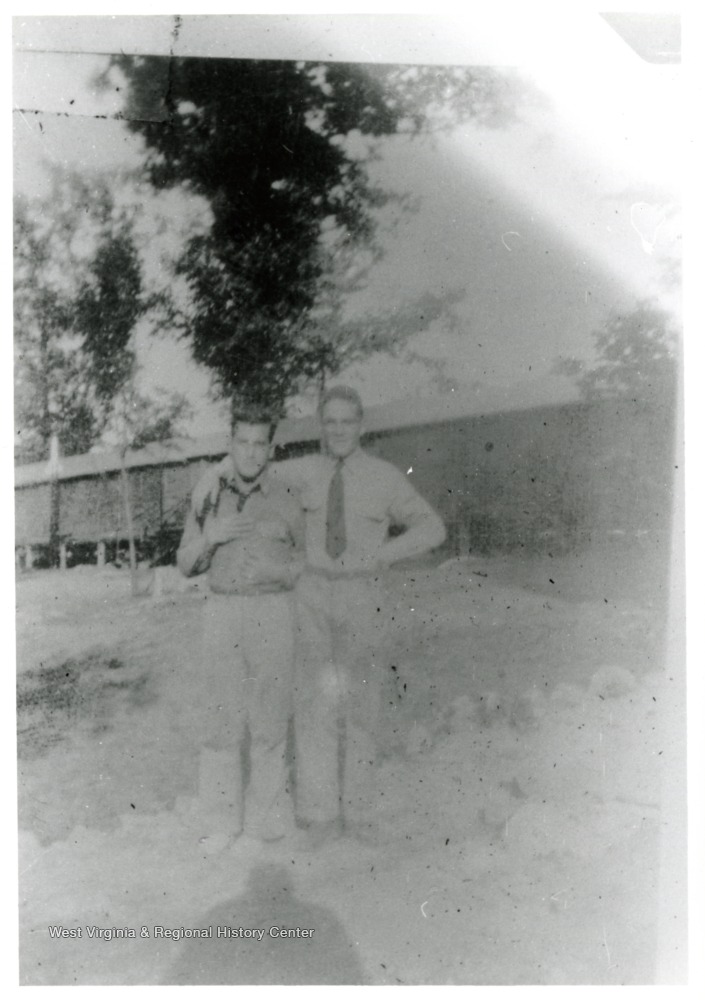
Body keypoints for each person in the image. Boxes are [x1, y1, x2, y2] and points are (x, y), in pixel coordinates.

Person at [193, 386, 446, 848]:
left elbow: (433, 527)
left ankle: (361, 812)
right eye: (331, 422)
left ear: (361, 425)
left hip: (362, 595)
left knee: (363, 706)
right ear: (321, 426)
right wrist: (215, 471)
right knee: (313, 707)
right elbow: (251, 462)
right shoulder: (302, 470)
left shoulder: (385, 477)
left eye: (348, 421)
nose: (339, 430)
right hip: (310, 597)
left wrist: (384, 554)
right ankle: (319, 814)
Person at [176, 405, 303, 851]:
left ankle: (264, 819)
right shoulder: (210, 492)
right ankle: (220, 823)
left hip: (273, 611)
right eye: (242, 442)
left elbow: (310, 560)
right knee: (221, 720)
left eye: (259, 443)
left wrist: (281, 572)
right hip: (223, 612)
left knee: (270, 719)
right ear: (230, 444)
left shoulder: (288, 495)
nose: (250, 452)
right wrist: (211, 536)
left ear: (271, 447)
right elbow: (184, 562)